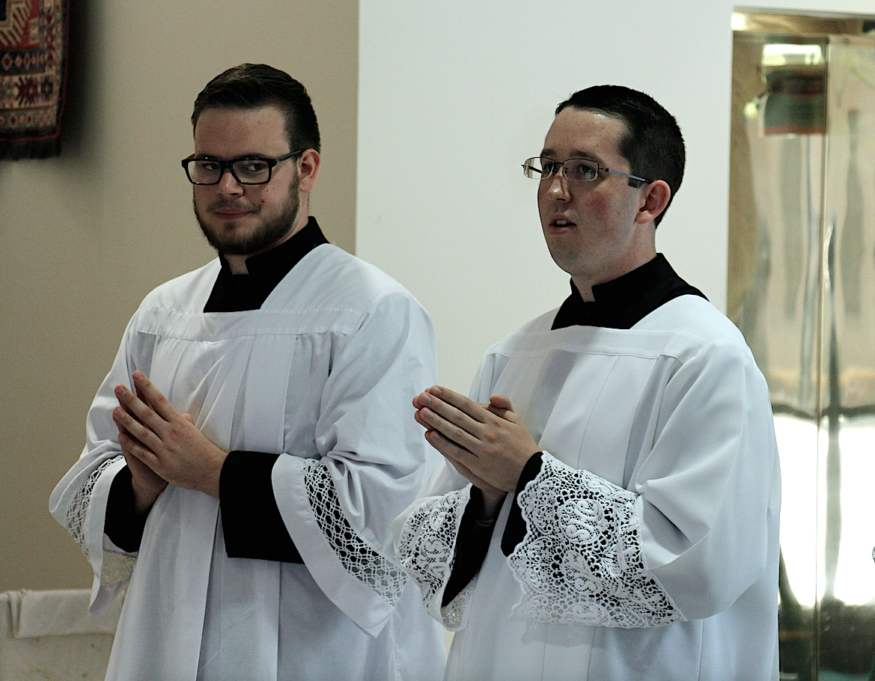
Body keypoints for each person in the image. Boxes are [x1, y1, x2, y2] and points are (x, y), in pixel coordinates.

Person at [50, 64, 445, 681]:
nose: (227, 187)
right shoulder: (164, 313)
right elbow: (95, 470)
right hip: (168, 629)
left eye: (253, 166)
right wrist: (139, 487)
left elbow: (381, 506)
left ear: (306, 169)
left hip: (315, 648)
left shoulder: (372, 310)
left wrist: (214, 473)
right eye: (208, 165)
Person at [394, 85, 781, 680]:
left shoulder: (705, 356)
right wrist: (488, 498)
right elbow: (435, 570)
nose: (555, 190)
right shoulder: (515, 353)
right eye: (547, 167)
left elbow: (697, 566)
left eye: (584, 170)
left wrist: (527, 476)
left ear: (650, 199)